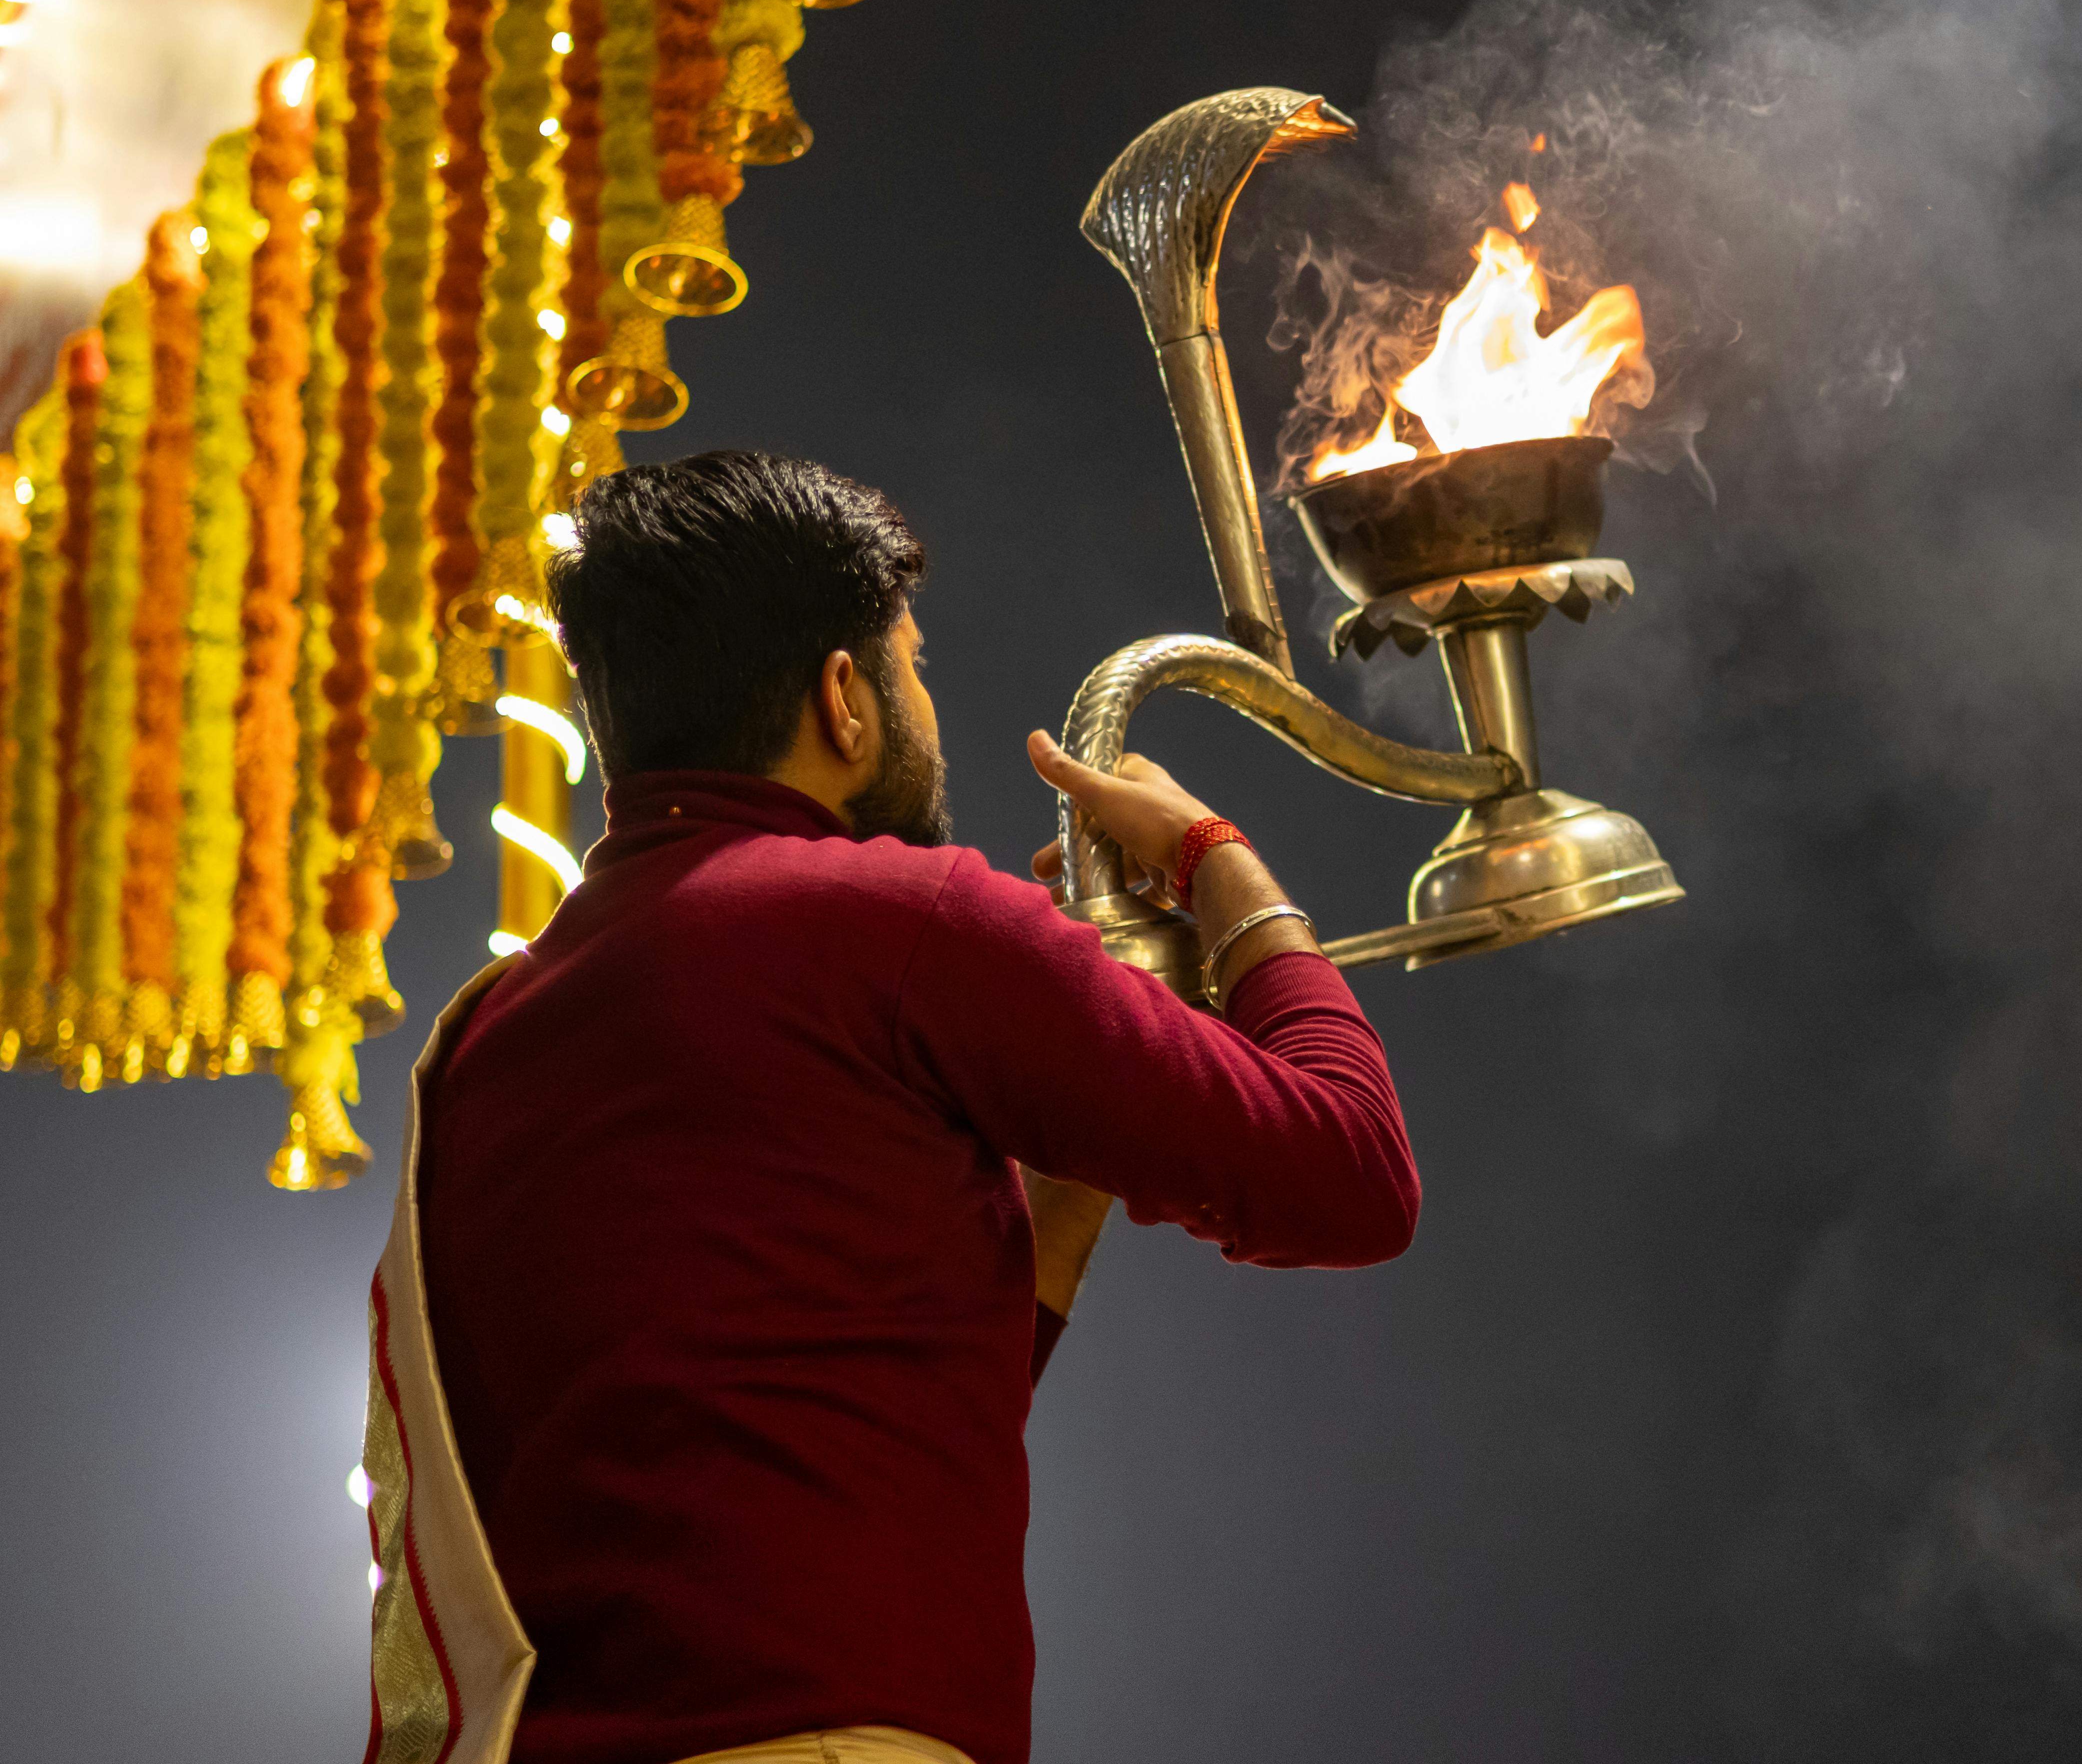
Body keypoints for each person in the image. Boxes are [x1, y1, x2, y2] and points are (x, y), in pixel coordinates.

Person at [361, 450, 1418, 1764]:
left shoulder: (495, 1030)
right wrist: (1221, 864)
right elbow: (1355, 1177)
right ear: (844, 699)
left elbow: (853, 1412)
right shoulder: (907, 920)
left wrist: (1070, 1131)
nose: (927, 703)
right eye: (911, 665)